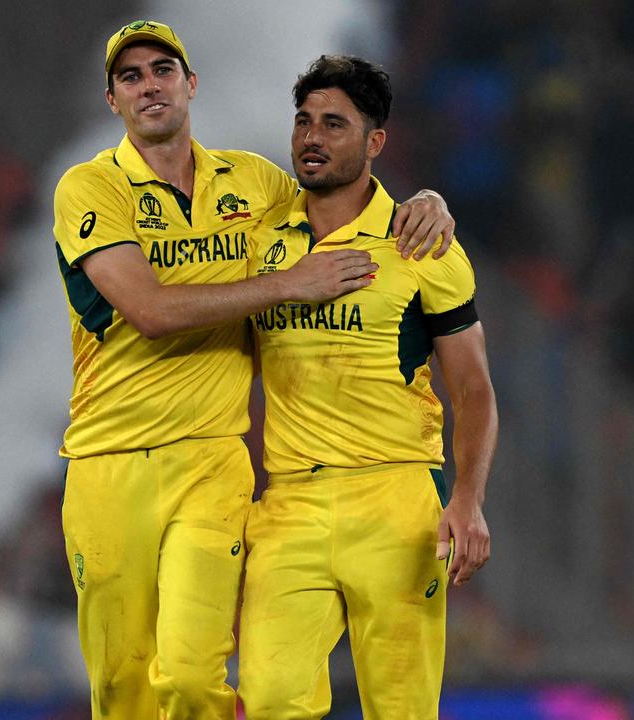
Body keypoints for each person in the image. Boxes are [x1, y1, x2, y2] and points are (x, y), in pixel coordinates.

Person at [52, 20, 456, 720]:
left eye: (163, 71)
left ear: (191, 85)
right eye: (130, 76)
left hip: (213, 464)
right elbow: (148, 309)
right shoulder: (89, 190)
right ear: (112, 99)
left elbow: (345, 199)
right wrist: (283, 285)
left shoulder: (257, 183)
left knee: (188, 679)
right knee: (121, 688)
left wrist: (424, 204)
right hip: (107, 463)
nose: (149, 85)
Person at [238, 55, 498, 719]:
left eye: (333, 123)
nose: (312, 137)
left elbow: (472, 390)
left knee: (402, 708)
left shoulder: (421, 243)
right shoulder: (261, 239)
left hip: (397, 501)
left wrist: (467, 499)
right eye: (303, 121)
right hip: (291, 499)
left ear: (375, 142)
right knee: (268, 699)